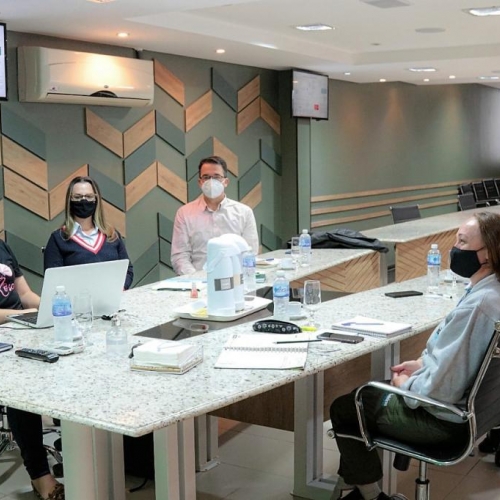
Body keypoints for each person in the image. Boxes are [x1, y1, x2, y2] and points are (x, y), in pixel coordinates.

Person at [329, 212, 500, 500]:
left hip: (444, 422)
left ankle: (370, 496)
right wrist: (422, 364)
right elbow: (460, 360)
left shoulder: (479, 305)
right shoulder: (491, 291)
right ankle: (359, 487)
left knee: (348, 406)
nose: (454, 248)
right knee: (365, 399)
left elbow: (441, 390)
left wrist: (405, 385)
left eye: (462, 242)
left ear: (488, 254)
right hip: (481, 414)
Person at [0, 241, 64, 500]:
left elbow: (24, 293)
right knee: (21, 382)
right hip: (8, 328)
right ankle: (40, 475)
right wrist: (21, 314)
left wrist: (51, 306)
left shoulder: (3, 246)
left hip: (19, 327)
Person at [171, 156, 259, 275]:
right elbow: (180, 256)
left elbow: (250, 252)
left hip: (236, 280)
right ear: (200, 182)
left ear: (226, 182)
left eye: (217, 177)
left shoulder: (244, 212)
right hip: (197, 281)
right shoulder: (184, 213)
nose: (211, 182)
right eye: (206, 177)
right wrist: (196, 279)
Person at [44, 176, 133, 289]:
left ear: (96, 200)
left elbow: (128, 270)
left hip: (113, 298)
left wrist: (119, 289)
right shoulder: (58, 239)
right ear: (70, 201)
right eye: (77, 197)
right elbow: (53, 281)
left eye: (89, 196)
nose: (84, 201)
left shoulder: (112, 235)